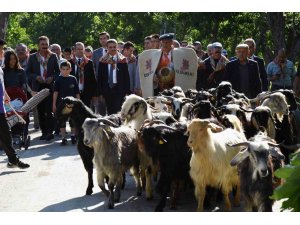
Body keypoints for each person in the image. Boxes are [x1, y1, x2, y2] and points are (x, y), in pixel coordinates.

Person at [26, 36, 60, 141]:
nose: (44, 46)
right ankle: (44, 132)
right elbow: (27, 72)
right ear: (38, 46)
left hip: (49, 86)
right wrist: (36, 77)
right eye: (42, 44)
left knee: (49, 110)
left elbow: (58, 72)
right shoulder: (32, 57)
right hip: (38, 86)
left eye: (46, 44)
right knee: (40, 110)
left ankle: (50, 132)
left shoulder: (53, 56)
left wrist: (52, 77)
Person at [0, 66, 30, 168]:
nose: (2, 52)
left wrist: (5, 94)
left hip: (1, 108)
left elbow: (1, 84)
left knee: (6, 135)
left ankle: (13, 160)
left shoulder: (0, 68)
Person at [98, 39, 130, 115]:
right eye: (110, 47)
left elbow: (126, 77)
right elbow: (100, 77)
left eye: (114, 47)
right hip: (107, 89)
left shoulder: (122, 60)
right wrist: (100, 92)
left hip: (119, 89)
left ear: (117, 47)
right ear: (107, 48)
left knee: (118, 110)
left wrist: (127, 91)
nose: (112, 49)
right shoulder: (103, 61)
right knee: (109, 110)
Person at [53, 61, 80, 145]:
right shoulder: (58, 79)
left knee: (73, 121)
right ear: (60, 70)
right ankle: (64, 137)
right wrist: (53, 104)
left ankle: (73, 136)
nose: (65, 71)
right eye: (63, 69)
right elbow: (55, 93)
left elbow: (77, 92)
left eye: (67, 69)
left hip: (72, 104)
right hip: (61, 104)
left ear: (70, 69)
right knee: (62, 121)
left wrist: (78, 103)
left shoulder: (73, 79)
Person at [69, 42, 97, 109]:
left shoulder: (89, 63)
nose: (80, 51)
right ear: (74, 50)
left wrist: (94, 94)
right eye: (78, 49)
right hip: (72, 93)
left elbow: (93, 79)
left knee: (85, 112)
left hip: (86, 93)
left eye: (81, 49)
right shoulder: (69, 62)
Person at [92, 31, 110, 116]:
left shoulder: (115, 51)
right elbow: (94, 68)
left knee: (113, 106)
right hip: (100, 83)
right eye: (101, 39)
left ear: (108, 39)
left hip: (112, 82)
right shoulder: (95, 53)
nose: (103, 40)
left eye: (104, 38)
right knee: (101, 107)